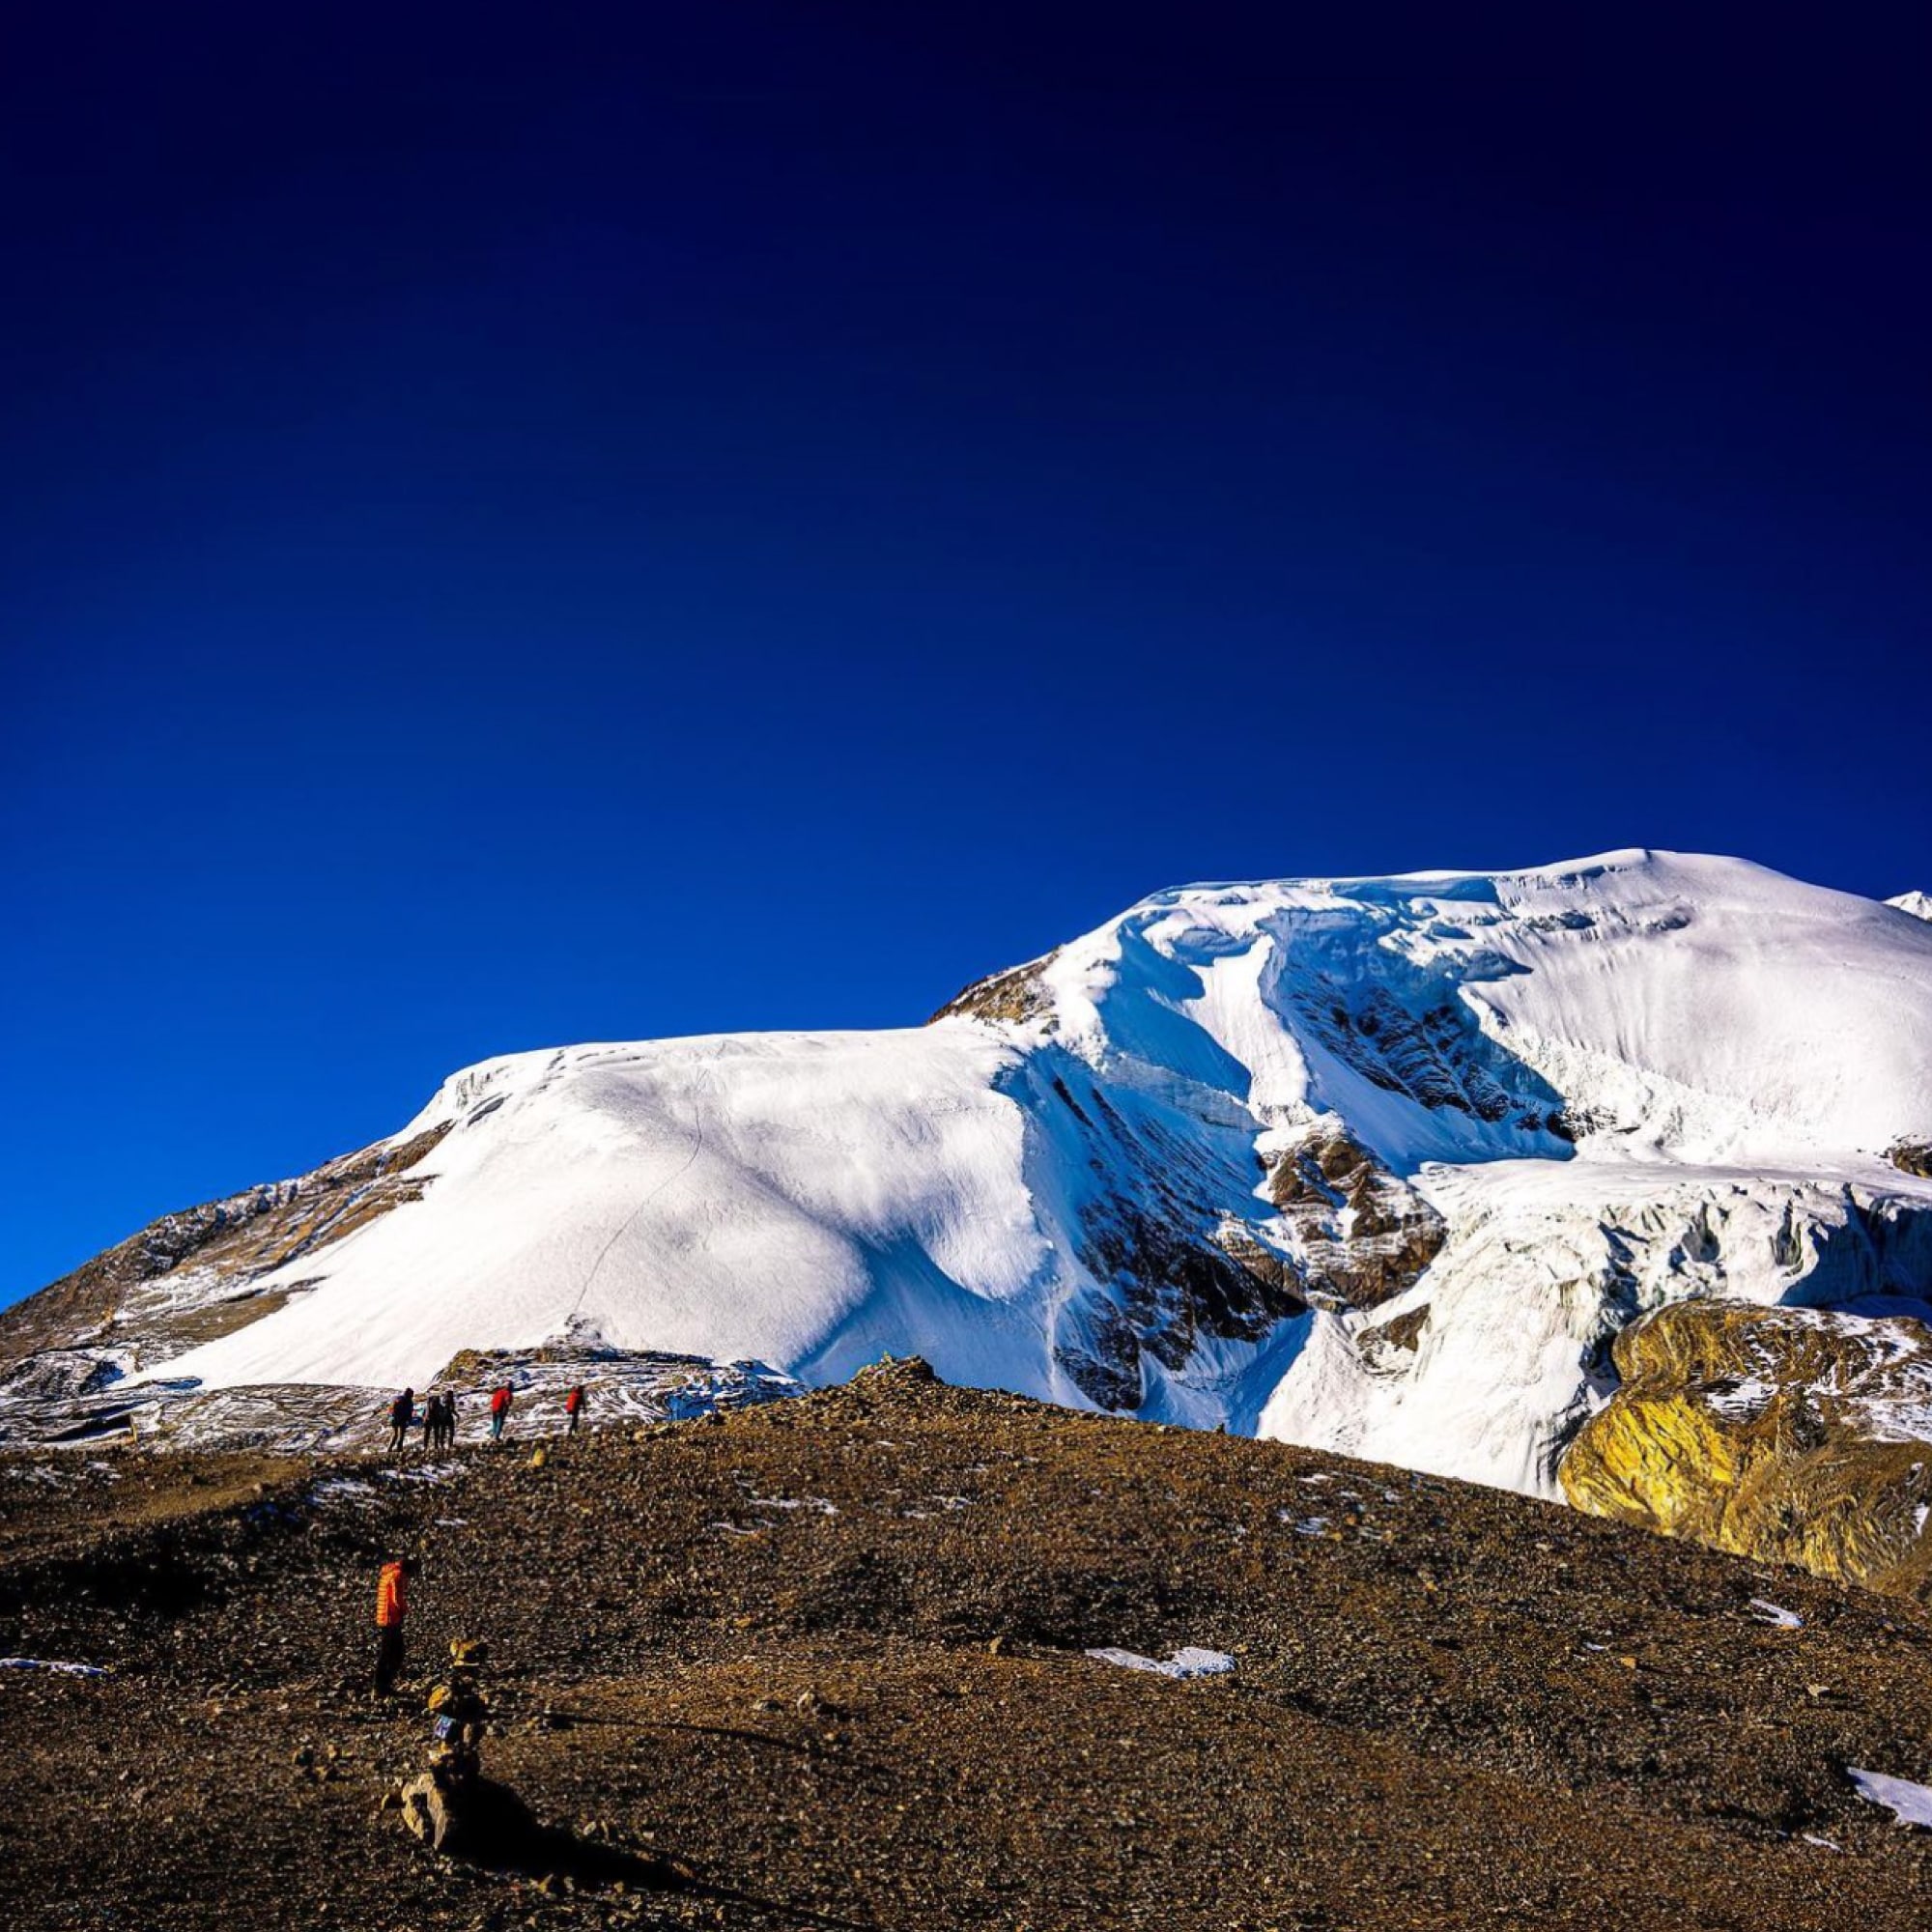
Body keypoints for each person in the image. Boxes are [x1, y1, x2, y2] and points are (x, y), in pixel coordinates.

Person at [374, 1553, 419, 1699]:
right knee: (394, 1653)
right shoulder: (398, 1575)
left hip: (384, 1616)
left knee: (389, 1652)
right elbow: (396, 1598)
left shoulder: (389, 1573)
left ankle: (383, 1686)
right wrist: (405, 1610)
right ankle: (381, 1686)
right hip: (391, 1618)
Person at [387, 1386, 415, 1456]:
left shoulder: (398, 1398)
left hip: (394, 1418)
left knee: (395, 1434)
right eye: (412, 1394)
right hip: (402, 1419)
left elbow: (391, 1409)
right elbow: (409, 1412)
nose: (412, 1396)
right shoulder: (409, 1401)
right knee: (401, 1435)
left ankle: (389, 1449)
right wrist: (409, 1420)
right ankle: (399, 1450)